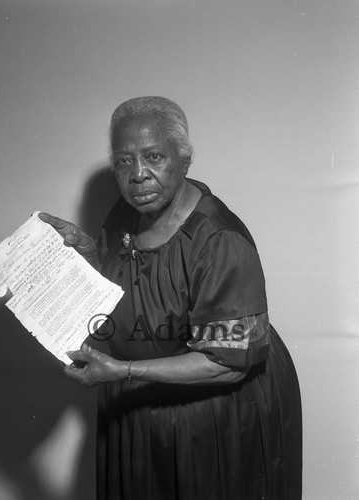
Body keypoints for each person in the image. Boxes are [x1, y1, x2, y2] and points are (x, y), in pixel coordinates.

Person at [40, 96, 302, 500]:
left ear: (184, 158)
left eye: (154, 156)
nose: (139, 175)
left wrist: (122, 371)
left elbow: (226, 364)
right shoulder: (126, 214)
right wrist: (89, 252)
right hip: (141, 398)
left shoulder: (219, 239)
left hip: (213, 415)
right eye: (125, 161)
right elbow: (127, 286)